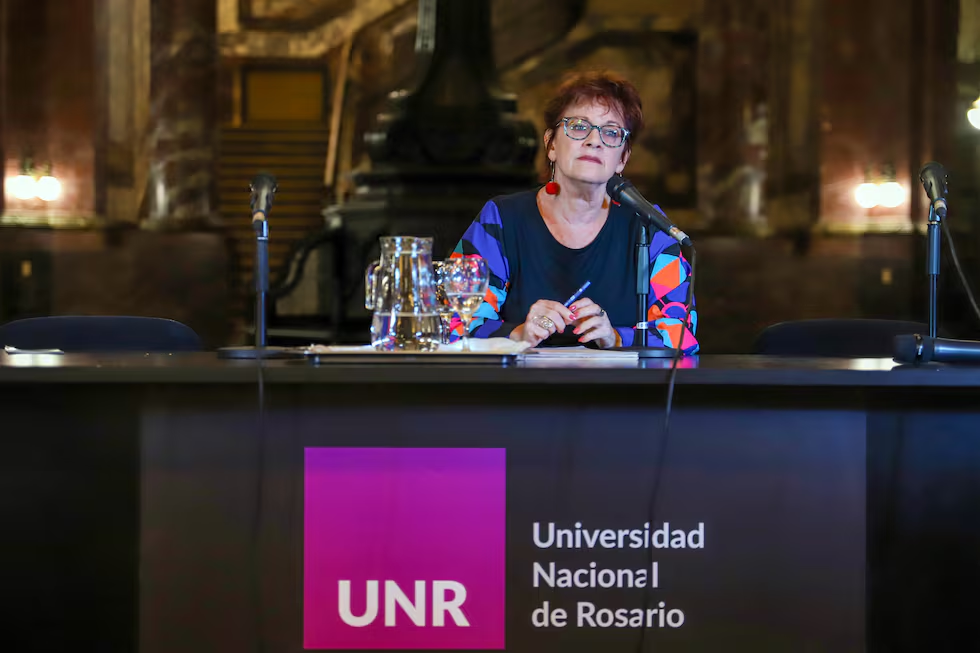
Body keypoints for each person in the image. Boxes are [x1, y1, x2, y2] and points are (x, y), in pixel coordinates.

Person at [448, 71, 698, 353]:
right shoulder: (500, 219)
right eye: (579, 127)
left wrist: (616, 338)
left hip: (619, 382)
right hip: (519, 380)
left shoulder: (648, 224)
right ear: (551, 144)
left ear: (622, 158)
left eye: (611, 132)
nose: (594, 140)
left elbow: (682, 334)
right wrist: (517, 334)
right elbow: (454, 324)